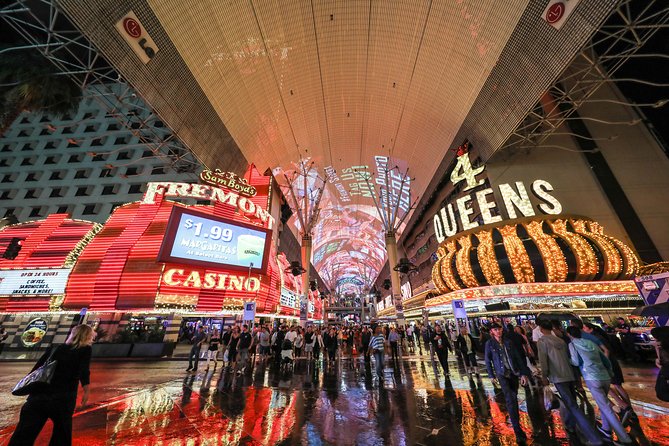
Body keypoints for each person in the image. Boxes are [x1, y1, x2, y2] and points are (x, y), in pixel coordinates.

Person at [9, 324, 94, 446]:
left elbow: (36, 370)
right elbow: (83, 370)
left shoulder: (55, 348)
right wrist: (86, 390)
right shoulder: (85, 350)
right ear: (88, 336)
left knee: (24, 434)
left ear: (72, 334)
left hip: (38, 396)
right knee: (61, 434)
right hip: (62, 399)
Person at [537, 320, 603, 445]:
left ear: (541, 329)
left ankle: (594, 437)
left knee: (572, 405)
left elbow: (543, 360)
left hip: (558, 376)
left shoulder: (542, 341)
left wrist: (544, 375)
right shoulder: (561, 341)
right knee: (570, 402)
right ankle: (570, 425)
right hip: (569, 374)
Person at [567, 326, 633, 445]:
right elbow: (604, 358)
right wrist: (610, 371)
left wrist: (568, 361)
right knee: (603, 405)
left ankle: (624, 438)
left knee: (607, 408)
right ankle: (606, 429)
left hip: (592, 377)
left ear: (569, 335)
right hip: (605, 376)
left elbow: (576, 362)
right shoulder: (590, 342)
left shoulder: (572, 345)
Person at [484, 322, 531, 444]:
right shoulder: (490, 344)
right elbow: (487, 360)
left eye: (499, 329)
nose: (498, 331)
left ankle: (515, 420)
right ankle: (517, 429)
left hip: (513, 373)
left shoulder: (508, 341)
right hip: (501, 374)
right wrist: (491, 375)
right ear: (491, 332)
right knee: (510, 399)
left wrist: (523, 373)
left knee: (514, 397)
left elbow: (518, 357)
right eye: (495, 329)